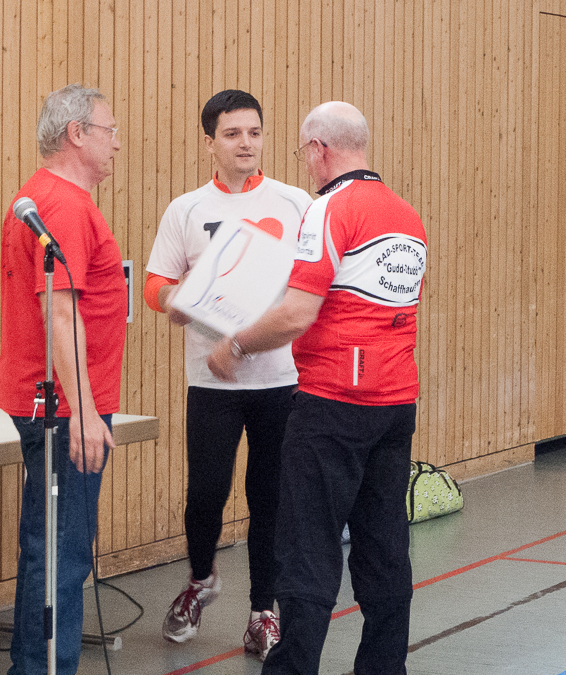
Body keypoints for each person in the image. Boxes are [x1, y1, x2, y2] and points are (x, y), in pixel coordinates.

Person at [207, 101, 427, 675]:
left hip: (333, 404)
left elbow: (295, 314)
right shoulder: (407, 215)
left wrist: (235, 345)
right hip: (396, 403)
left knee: (307, 551)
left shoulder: (329, 210)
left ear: (318, 150)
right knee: (384, 549)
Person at [145, 89, 312, 660]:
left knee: (269, 499)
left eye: (255, 133)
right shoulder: (185, 210)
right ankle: (200, 581)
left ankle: (263, 611)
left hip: (279, 382)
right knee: (206, 494)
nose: (246, 144)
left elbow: (311, 286)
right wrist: (177, 299)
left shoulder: (295, 205)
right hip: (210, 382)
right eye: (233, 134)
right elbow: (152, 287)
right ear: (210, 141)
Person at [0, 84, 127, 675]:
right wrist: (86, 413)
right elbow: (60, 313)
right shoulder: (65, 206)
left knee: (48, 550)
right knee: (63, 555)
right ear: (77, 133)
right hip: (61, 410)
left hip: (55, 403)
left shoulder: (45, 198)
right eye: (109, 130)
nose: (116, 143)